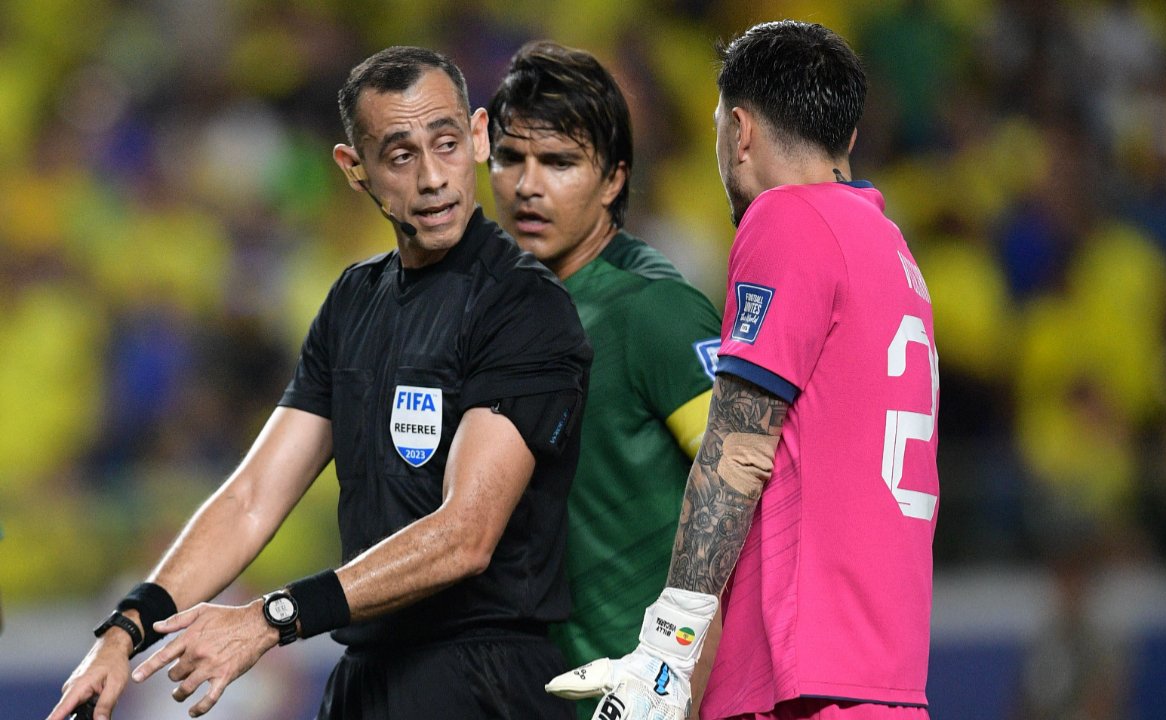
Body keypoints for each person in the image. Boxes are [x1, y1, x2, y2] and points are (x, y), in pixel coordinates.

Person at [48, 46, 590, 720]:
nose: (432, 178)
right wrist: (125, 630)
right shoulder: (354, 300)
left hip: (484, 679)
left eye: (446, 144)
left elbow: (464, 535)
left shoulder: (522, 306)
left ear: (479, 137)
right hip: (365, 680)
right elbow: (251, 497)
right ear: (354, 169)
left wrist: (272, 616)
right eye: (399, 155)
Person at [547, 20, 940, 720]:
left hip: (803, 680)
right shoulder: (891, 247)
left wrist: (666, 647)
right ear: (846, 139)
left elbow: (737, 448)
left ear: (740, 129)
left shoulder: (786, 218)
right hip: (883, 679)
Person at [486, 41, 723, 719]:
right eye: (511, 159)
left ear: (614, 180)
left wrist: (682, 681)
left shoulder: (653, 310)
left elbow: (752, 499)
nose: (528, 186)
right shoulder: (497, 316)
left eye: (559, 162)